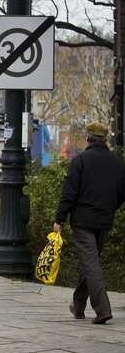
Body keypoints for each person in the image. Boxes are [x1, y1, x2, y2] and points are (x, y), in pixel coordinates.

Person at [54, 122, 125, 325]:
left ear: (88, 138)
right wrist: (110, 208)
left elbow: (69, 193)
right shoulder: (117, 163)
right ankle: (78, 306)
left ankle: (103, 309)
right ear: (105, 139)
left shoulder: (81, 161)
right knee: (90, 262)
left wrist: (59, 219)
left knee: (90, 264)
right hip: (104, 220)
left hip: (83, 220)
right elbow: (122, 194)